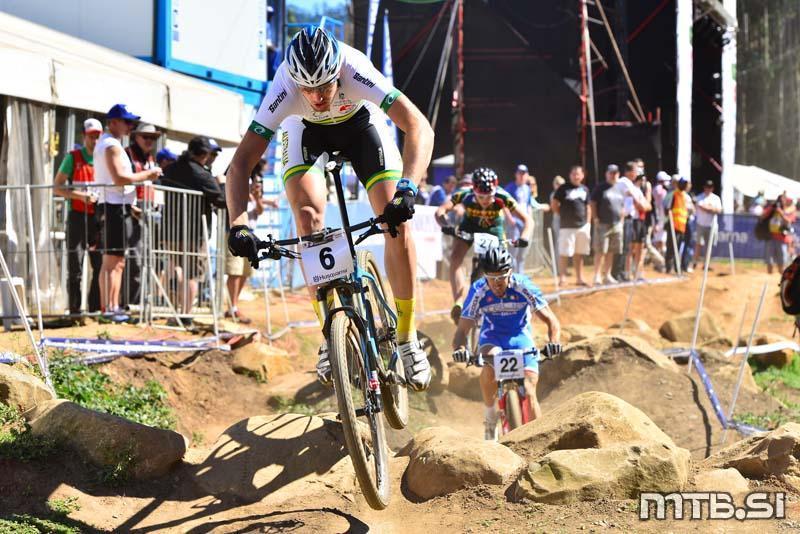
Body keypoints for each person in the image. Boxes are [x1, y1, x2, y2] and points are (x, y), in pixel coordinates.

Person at [225, 26, 434, 391]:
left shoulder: (355, 70)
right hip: (304, 130)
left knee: (395, 220)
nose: (318, 96)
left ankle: (406, 338)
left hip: (361, 123)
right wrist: (238, 224)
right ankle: (329, 332)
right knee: (307, 220)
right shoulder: (284, 88)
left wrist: (408, 188)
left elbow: (418, 125)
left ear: (338, 72)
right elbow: (241, 162)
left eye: (324, 86)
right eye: (308, 89)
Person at [451, 245, 561, 440]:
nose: (496, 283)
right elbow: (462, 330)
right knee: (489, 365)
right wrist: (460, 349)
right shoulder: (479, 290)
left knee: (529, 388)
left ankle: (540, 438)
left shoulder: (524, 286)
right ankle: (490, 417)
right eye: (491, 278)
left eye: (501, 277)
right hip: (492, 337)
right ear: (485, 275)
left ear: (510, 272)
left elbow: (552, 321)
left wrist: (554, 342)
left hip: (520, 337)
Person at [435, 168, 531, 322]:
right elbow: (440, 211)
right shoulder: (465, 194)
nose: (485, 201)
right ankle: (459, 302)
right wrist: (446, 225)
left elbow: (528, 220)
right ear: (473, 190)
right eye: (480, 197)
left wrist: (524, 237)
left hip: (494, 229)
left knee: (501, 263)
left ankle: (504, 301)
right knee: (455, 257)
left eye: (489, 197)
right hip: (469, 227)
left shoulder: (502, 196)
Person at [94, 104, 162, 323]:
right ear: (113, 122)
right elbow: (119, 179)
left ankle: (111, 307)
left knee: (117, 261)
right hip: (113, 206)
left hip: (117, 205)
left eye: (131, 122)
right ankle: (109, 308)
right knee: (113, 262)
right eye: (126, 122)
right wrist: (148, 175)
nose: (130, 126)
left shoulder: (110, 144)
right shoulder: (111, 145)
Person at [159, 136, 227, 320]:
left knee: (176, 268)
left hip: (171, 231)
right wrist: (221, 183)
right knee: (192, 274)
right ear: (205, 155)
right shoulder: (202, 174)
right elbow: (221, 201)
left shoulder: (171, 169)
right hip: (195, 233)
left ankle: (173, 312)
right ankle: (185, 315)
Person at [54, 118, 103, 320]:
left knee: (100, 265)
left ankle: (95, 310)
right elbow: (57, 187)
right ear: (84, 136)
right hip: (77, 216)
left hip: (99, 218)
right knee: (75, 265)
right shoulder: (72, 157)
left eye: (98, 136)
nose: (95, 140)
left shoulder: (105, 158)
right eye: (91, 136)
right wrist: (80, 196)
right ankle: (74, 312)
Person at [123, 122, 161, 310]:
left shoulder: (150, 158)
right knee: (134, 260)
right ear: (136, 137)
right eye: (145, 137)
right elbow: (121, 180)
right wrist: (131, 206)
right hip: (131, 211)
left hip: (148, 211)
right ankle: (130, 304)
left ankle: (139, 303)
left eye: (153, 138)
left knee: (146, 259)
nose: (149, 141)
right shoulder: (127, 154)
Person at [551, 165, 591, 286]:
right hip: (567, 226)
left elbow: (588, 206)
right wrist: (562, 214)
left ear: (582, 176)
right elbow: (554, 204)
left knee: (579, 253)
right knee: (564, 253)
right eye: (573, 174)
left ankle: (579, 278)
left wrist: (588, 223)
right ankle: (562, 278)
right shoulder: (563, 188)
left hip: (582, 226)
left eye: (578, 174)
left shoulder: (585, 189)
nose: (576, 176)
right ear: (570, 175)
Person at [590, 165, 626, 285]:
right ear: (606, 174)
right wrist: (595, 218)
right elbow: (593, 203)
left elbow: (622, 205)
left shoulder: (619, 188)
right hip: (603, 224)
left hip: (616, 224)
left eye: (615, 173)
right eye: (611, 173)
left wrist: (622, 219)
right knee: (600, 250)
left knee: (611, 250)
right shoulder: (600, 188)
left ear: (618, 174)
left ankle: (607, 275)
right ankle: (597, 276)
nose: (613, 175)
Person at [614, 162, 649, 281]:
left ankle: (622, 273)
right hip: (624, 218)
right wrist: (641, 205)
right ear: (629, 172)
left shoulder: (630, 184)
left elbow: (646, 204)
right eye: (635, 171)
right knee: (624, 247)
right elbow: (636, 200)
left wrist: (643, 205)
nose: (637, 174)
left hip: (630, 218)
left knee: (625, 248)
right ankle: (618, 273)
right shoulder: (624, 181)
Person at [505, 164, 534, 273]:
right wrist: (509, 218)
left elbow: (528, 205)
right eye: (520, 173)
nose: (522, 176)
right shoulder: (510, 187)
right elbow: (504, 204)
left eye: (524, 174)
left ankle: (520, 274)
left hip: (524, 223)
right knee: (513, 250)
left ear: (527, 175)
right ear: (516, 174)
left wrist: (530, 220)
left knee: (523, 251)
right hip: (514, 222)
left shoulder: (527, 189)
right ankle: (511, 274)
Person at [663, 177, 692, 274]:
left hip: (681, 225)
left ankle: (677, 268)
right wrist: (668, 217)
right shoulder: (673, 194)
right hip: (673, 225)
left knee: (678, 248)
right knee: (671, 247)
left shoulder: (684, 196)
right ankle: (669, 267)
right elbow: (667, 208)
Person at [628, 173, 653, 280]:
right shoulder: (633, 190)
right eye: (642, 180)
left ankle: (638, 272)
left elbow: (648, 206)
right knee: (632, 247)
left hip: (642, 220)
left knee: (640, 247)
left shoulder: (641, 192)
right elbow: (639, 206)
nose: (643, 182)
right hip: (634, 220)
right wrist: (643, 206)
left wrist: (648, 192)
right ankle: (628, 272)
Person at [693, 180, 722, 269]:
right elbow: (697, 207)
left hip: (711, 225)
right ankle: (694, 262)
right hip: (700, 224)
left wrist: (706, 208)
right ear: (704, 187)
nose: (708, 189)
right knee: (699, 244)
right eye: (707, 187)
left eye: (710, 187)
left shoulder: (716, 198)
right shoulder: (699, 197)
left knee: (709, 246)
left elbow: (718, 210)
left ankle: (706, 264)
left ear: (712, 188)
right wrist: (710, 209)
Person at [766, 193, 797, 274]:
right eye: (779, 200)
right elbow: (763, 216)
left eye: (783, 200)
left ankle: (782, 275)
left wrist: (781, 212)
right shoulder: (773, 209)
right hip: (771, 237)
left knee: (782, 262)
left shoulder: (790, 211)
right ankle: (769, 275)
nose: (781, 202)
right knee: (769, 261)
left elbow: (789, 221)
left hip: (783, 239)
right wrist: (772, 208)